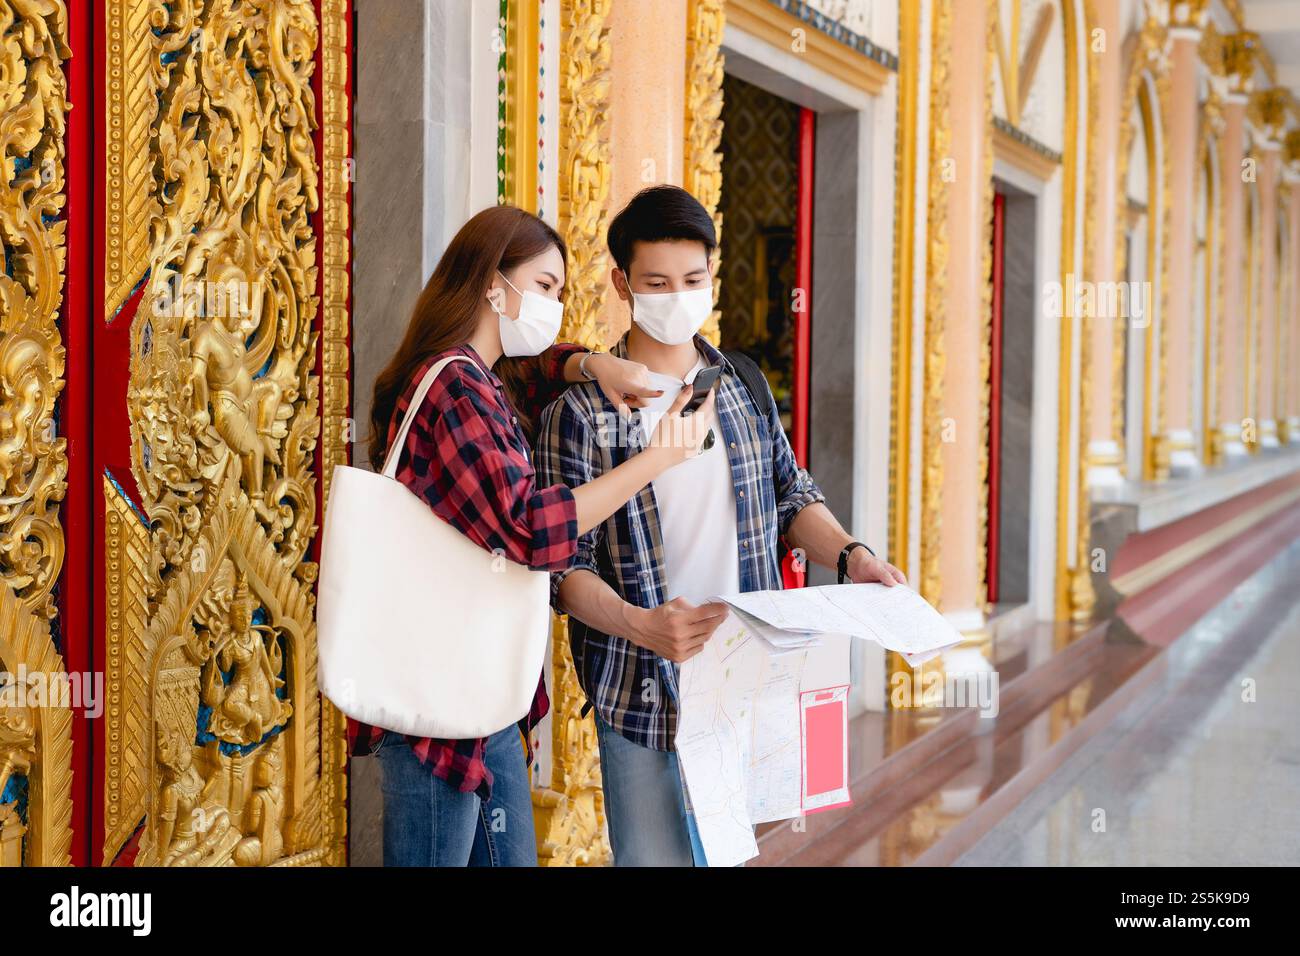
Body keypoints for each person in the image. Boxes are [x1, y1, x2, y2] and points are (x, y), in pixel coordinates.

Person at [535, 185, 906, 866]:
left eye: (693, 279)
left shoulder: (739, 384)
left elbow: (792, 498)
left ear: (712, 273)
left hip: (744, 678)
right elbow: (562, 569)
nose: (677, 295)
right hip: (640, 689)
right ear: (622, 283)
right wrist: (641, 625)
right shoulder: (581, 414)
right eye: (656, 282)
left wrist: (854, 556)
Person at [349, 204, 714, 867]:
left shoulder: (481, 375)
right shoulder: (455, 390)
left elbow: (541, 365)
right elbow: (531, 530)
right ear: (494, 284)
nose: (553, 307)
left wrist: (593, 366)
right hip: (437, 697)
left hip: (481, 690)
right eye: (544, 288)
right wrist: (655, 460)